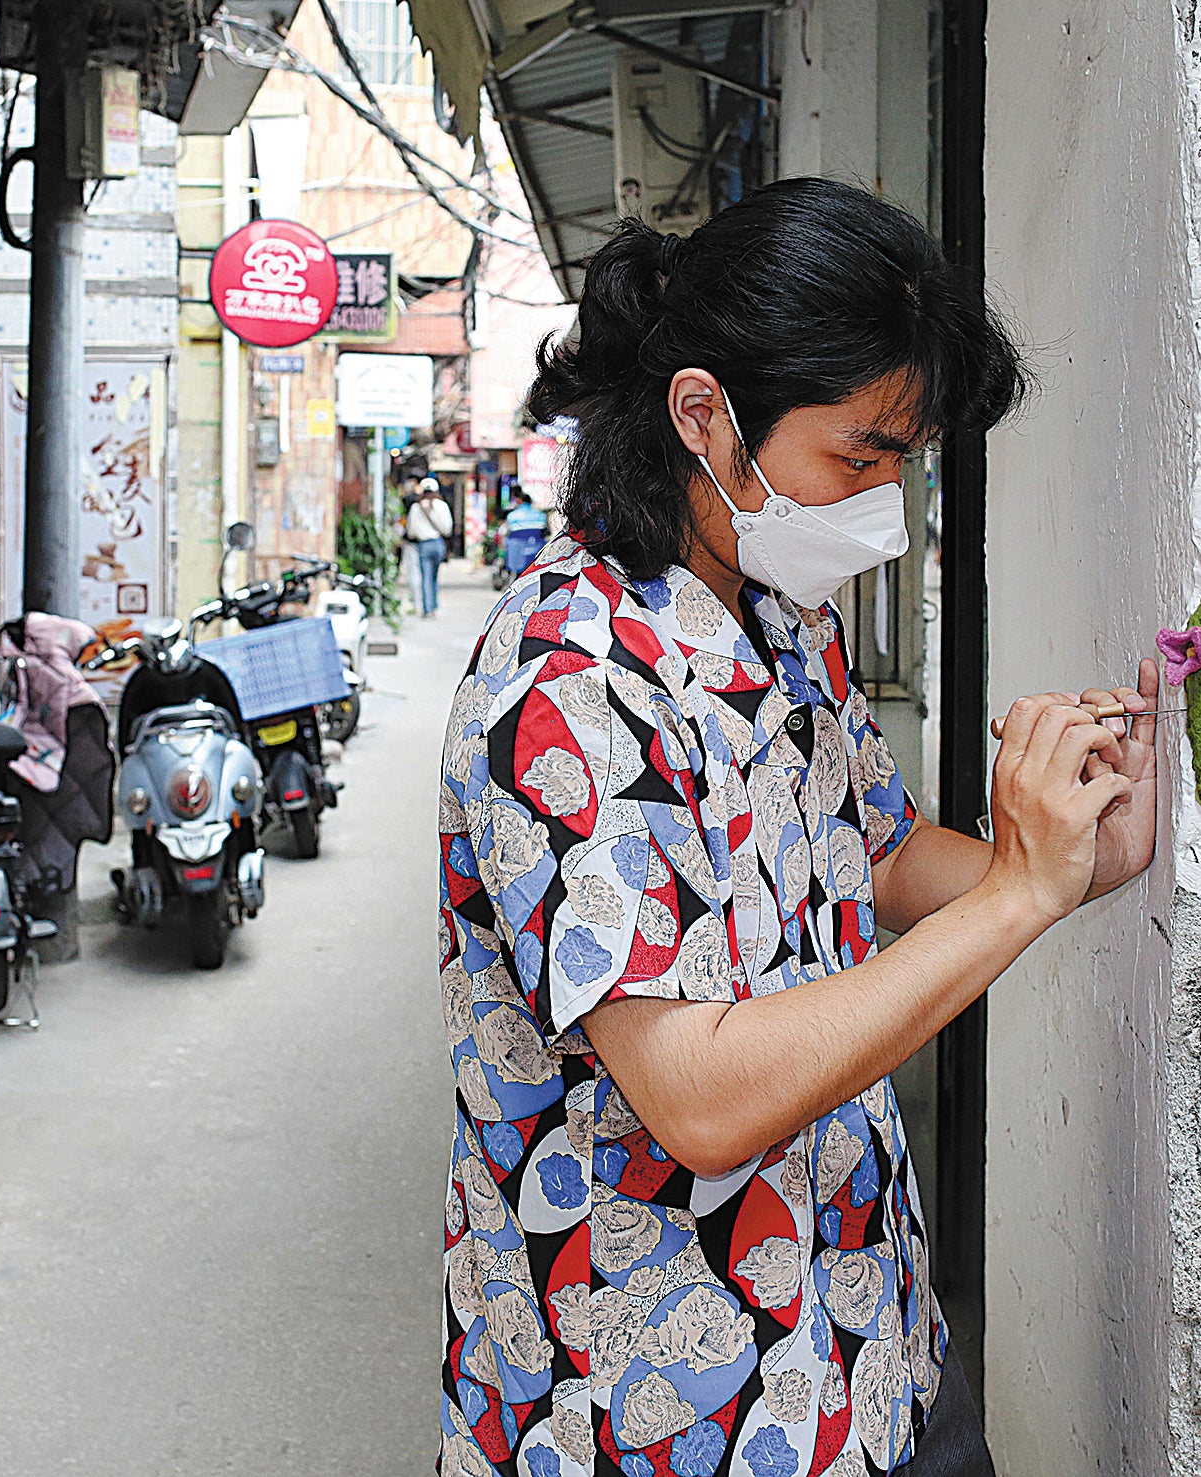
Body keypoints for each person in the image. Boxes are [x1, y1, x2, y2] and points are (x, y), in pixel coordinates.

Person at [435, 178, 1159, 1477]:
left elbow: (866, 854)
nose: (886, 504)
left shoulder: (777, 614)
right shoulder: (560, 686)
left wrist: (1068, 853)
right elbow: (697, 1098)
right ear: (702, 415)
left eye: (906, 462)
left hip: (866, 1350)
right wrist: (1015, 901)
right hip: (663, 1411)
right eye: (861, 456)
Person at [406, 476, 454, 618]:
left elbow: (411, 531)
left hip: (423, 545)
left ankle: (428, 609)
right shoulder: (442, 506)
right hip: (438, 543)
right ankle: (433, 605)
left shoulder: (415, 508)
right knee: (434, 576)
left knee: (426, 577)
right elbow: (447, 529)